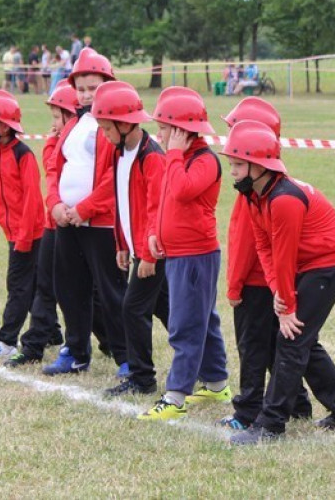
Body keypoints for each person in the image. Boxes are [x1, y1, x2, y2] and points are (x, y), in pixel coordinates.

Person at [219, 120, 335, 445]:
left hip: (327, 266)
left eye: (239, 165)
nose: (233, 172)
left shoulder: (283, 200)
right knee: (301, 340)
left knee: (292, 340)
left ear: (259, 166)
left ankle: (270, 426)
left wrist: (285, 307)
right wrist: (277, 293)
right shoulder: (255, 196)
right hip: (305, 266)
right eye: (232, 165)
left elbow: (283, 258)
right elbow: (264, 247)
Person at [218, 98, 311, 431]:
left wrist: (233, 286)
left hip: (255, 284)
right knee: (275, 345)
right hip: (268, 283)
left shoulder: (253, 192)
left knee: (253, 348)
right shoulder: (264, 184)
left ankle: (247, 412)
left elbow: (246, 244)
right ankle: (297, 402)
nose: (231, 143)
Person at [138, 86, 228, 421]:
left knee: (185, 324)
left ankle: (176, 395)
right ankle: (217, 382)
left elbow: (182, 189)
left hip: (196, 255)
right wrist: (153, 234)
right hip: (177, 253)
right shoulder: (177, 160)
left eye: (163, 127)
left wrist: (173, 153)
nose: (158, 133)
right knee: (203, 321)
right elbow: (162, 201)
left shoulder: (204, 161)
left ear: (181, 131)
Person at [42, 48, 129, 376]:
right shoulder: (73, 124)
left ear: (108, 84)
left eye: (93, 87)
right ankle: (75, 350)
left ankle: (126, 357)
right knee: (70, 289)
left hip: (101, 224)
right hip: (67, 222)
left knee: (110, 293)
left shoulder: (113, 127)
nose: (86, 94)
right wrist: (55, 205)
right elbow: (55, 167)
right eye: (81, 88)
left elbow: (114, 177)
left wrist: (86, 208)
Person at [91, 81, 170, 399]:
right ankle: (208, 370)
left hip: (154, 250)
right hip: (137, 247)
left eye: (106, 128)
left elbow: (157, 209)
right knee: (171, 313)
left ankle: (142, 378)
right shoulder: (118, 152)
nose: (104, 135)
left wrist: (148, 254)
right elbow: (120, 200)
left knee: (132, 308)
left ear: (125, 124)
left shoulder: (152, 157)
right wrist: (121, 243)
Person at [4, 83, 79, 367]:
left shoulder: (84, 145)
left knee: (90, 294)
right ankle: (34, 345)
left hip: (77, 227)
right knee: (44, 287)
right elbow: (50, 170)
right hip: (52, 226)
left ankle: (112, 344)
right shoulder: (55, 143)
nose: (53, 125)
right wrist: (54, 139)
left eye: (58, 118)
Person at [0, 90, 45, 360]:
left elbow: (33, 201)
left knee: (18, 286)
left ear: (4, 126)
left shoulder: (23, 155)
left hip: (31, 234)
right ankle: (52, 333)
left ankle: (6, 340)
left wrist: (24, 238)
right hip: (14, 234)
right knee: (39, 286)